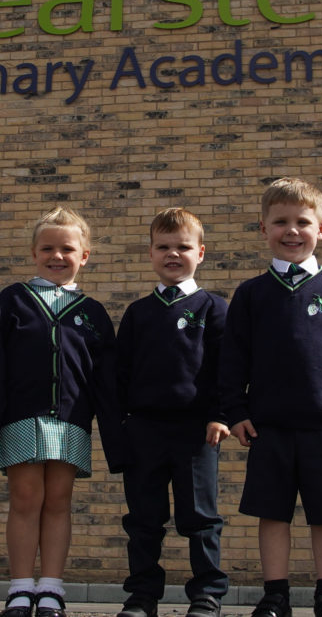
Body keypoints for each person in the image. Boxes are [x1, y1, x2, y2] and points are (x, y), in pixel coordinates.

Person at [221, 178, 322, 617]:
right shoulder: (251, 293)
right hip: (267, 426)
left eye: (302, 222)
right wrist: (235, 411)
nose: (292, 231)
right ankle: (276, 594)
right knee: (273, 513)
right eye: (280, 222)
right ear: (263, 228)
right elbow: (233, 360)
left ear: (321, 228)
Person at [0, 207, 127, 617]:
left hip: (70, 422)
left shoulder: (92, 313)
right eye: (47, 248)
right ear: (34, 253)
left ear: (85, 255)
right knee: (25, 499)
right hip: (21, 419)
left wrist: (116, 442)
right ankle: (20, 589)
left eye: (67, 249)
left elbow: (106, 384)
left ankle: (52, 589)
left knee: (58, 501)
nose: (57, 256)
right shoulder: (13, 300)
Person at [114, 208, 231, 617]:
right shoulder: (138, 313)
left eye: (183, 246)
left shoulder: (214, 309)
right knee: (144, 519)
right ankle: (142, 596)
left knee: (200, 517)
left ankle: (207, 594)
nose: (173, 254)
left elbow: (226, 369)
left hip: (197, 432)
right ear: (150, 253)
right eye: (163, 247)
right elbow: (121, 374)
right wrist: (122, 425)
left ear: (201, 252)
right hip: (144, 430)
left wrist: (220, 414)